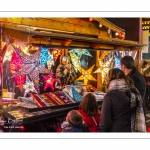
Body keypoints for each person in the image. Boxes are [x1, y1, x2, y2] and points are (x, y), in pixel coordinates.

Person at [99, 68, 146, 132]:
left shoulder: (109, 96)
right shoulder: (134, 92)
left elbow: (104, 123)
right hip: (132, 131)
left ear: (109, 79)